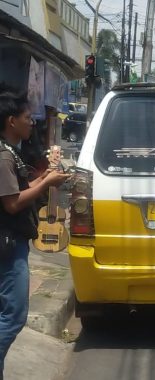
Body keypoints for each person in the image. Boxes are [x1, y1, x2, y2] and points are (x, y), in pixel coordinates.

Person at [0, 91, 69, 379]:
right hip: (9, 245)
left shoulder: (10, 152)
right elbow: (13, 202)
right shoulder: (4, 156)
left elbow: (19, 187)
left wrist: (46, 176)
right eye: (28, 118)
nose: (32, 123)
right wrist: (45, 184)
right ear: (11, 121)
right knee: (14, 317)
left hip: (14, 244)